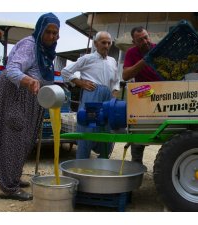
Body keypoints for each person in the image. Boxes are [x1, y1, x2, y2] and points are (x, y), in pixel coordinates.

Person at [0, 13, 60, 201]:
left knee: (26, 138)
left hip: (30, 94)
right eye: (48, 32)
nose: (52, 36)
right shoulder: (30, 45)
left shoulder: (46, 52)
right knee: (13, 136)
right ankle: (9, 189)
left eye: (56, 33)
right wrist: (28, 80)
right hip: (15, 91)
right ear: (40, 31)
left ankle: (12, 176)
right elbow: (12, 69)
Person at [61, 31, 120, 159]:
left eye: (109, 43)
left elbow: (116, 80)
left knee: (106, 128)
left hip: (108, 97)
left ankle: (103, 163)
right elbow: (65, 72)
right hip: (92, 95)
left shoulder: (112, 61)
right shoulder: (87, 58)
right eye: (103, 42)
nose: (106, 45)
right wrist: (80, 83)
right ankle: (81, 165)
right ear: (96, 43)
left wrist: (115, 93)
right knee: (88, 128)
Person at [122, 26, 161, 164]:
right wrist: (145, 60)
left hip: (164, 94)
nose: (145, 41)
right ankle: (136, 166)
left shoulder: (159, 48)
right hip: (144, 94)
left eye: (146, 37)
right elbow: (125, 75)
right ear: (134, 42)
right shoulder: (131, 53)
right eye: (140, 40)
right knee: (138, 134)